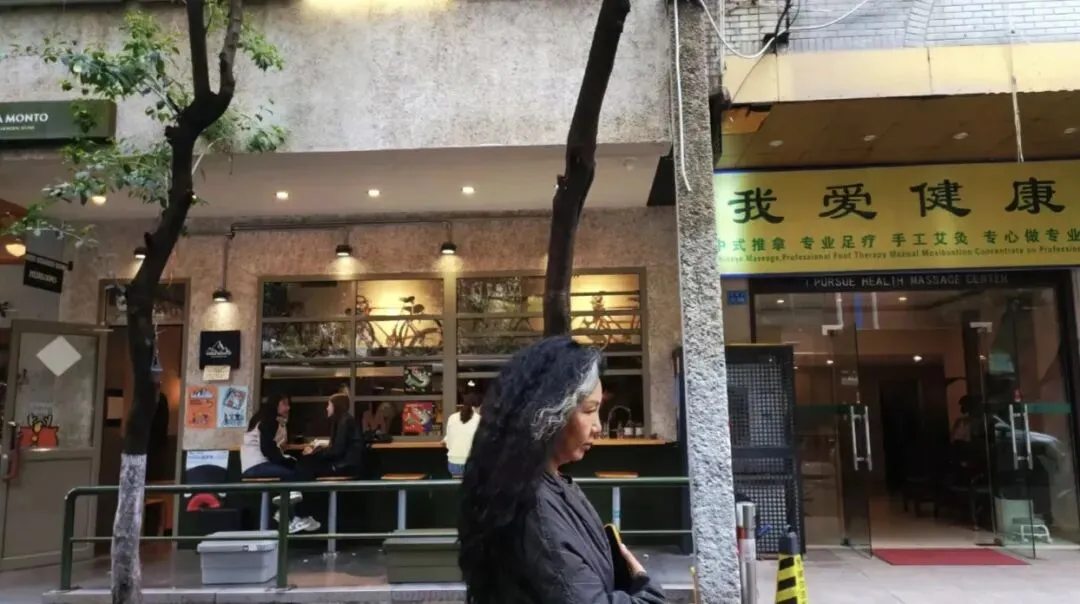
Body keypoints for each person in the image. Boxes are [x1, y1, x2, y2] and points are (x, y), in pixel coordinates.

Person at [458, 337, 666, 603]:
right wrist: (646, 587)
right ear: (548, 415)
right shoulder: (536, 512)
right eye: (589, 410)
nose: (598, 427)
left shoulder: (545, 484)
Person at [240, 394, 321, 533]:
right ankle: (295, 517)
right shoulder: (267, 421)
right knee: (292, 476)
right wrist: (287, 461)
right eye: (284, 404)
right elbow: (267, 449)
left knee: (297, 472)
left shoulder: (273, 421)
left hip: (260, 463)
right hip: (256, 465)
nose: (288, 408)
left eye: (288, 404)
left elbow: (276, 447)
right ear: (275, 404)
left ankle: (285, 512)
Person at [301, 392, 364, 477]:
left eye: (329, 405)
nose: (327, 408)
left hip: (345, 466)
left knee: (307, 465)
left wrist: (314, 452)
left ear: (336, 406)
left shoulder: (345, 422)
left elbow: (337, 450)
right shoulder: (342, 420)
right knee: (308, 463)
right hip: (344, 464)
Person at [443, 390, 481, 478]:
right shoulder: (479, 419)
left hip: (453, 462)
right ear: (477, 406)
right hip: (471, 462)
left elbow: (448, 440)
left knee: (457, 486)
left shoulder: (452, 417)